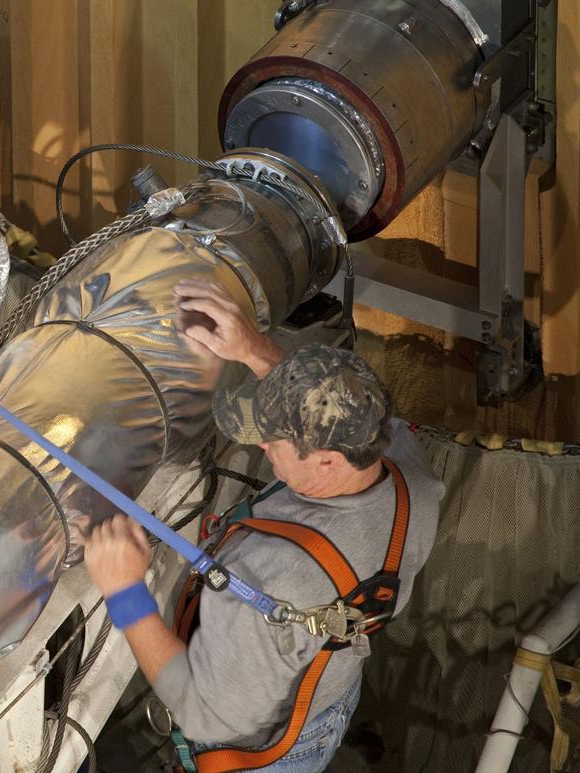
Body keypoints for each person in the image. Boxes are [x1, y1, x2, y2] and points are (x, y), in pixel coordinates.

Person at [84, 278, 444, 772]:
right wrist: (254, 348)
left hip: (260, 752)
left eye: (273, 440)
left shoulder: (268, 579)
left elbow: (203, 713)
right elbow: (338, 408)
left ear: (325, 462)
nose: (260, 448)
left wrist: (123, 589)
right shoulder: (405, 464)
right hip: (328, 694)